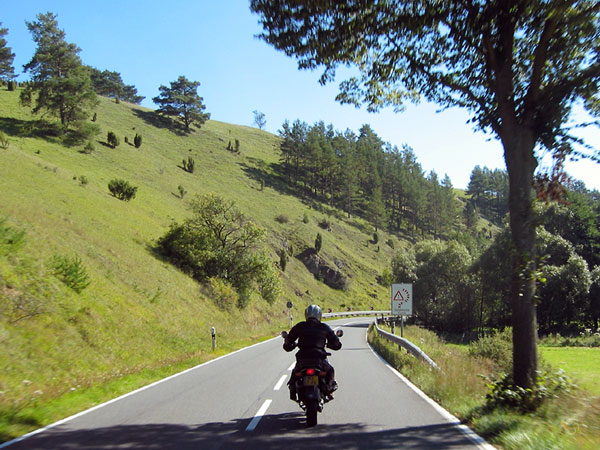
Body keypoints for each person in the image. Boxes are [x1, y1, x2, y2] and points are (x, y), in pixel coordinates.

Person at [283, 304, 342, 401]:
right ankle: (329, 389)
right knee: (330, 370)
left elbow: (288, 341)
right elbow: (336, 344)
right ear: (319, 315)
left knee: (294, 374)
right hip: (319, 359)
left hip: (303, 359)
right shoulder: (324, 327)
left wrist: (289, 344)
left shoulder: (300, 326)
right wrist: (333, 345)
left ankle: (293, 391)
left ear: (306, 314)